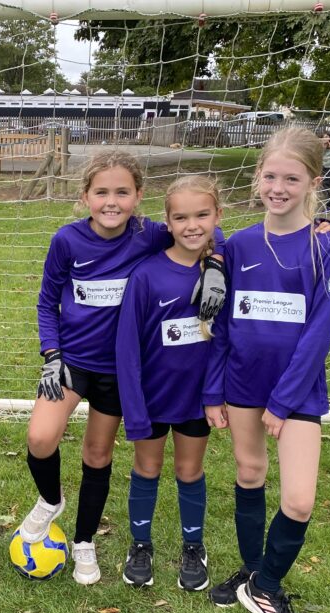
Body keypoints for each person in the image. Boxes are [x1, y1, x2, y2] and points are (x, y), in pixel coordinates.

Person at [18, 150, 228, 586]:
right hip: (72, 361)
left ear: (138, 196)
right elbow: (46, 301)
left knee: (97, 454)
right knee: (40, 437)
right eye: (101, 192)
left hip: (119, 369)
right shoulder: (67, 240)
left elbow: (205, 230)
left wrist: (216, 265)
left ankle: (84, 541)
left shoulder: (148, 234)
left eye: (122, 192)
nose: (111, 202)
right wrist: (51, 354)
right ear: (85, 196)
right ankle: (51, 500)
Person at [203, 126, 330, 613]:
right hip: (242, 382)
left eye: (292, 179)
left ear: (313, 182)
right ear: (258, 177)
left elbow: (320, 331)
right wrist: (212, 391)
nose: (278, 188)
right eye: (270, 176)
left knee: (299, 500)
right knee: (249, 473)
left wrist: (283, 402)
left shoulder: (326, 246)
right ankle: (252, 571)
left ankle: (266, 586)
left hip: (297, 390)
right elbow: (221, 324)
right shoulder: (237, 244)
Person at [115, 175, 225, 591]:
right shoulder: (147, 275)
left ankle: (193, 547)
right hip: (152, 397)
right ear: (168, 221)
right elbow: (127, 348)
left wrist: (214, 394)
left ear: (217, 216)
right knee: (147, 468)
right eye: (181, 217)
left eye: (202, 215)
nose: (192, 225)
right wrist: (134, 409)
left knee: (189, 470)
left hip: (196, 398)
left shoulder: (222, 271)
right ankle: (140, 545)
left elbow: (224, 341)